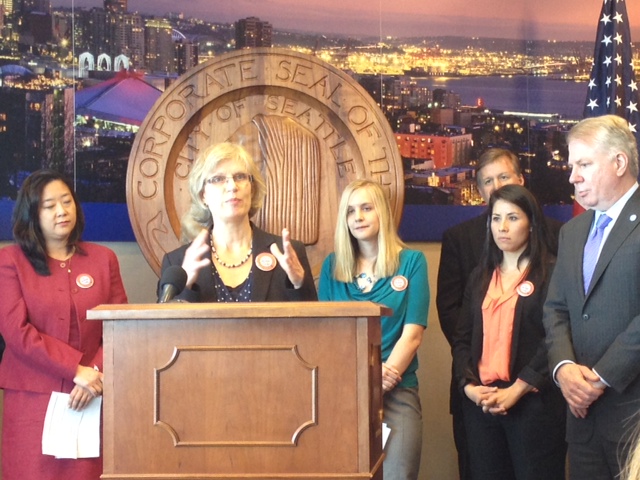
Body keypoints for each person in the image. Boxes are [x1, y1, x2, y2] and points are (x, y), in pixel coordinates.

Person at [436, 147, 562, 480]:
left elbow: (556, 337)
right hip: (482, 404)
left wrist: (519, 388)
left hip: (532, 405)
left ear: (531, 224)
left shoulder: (551, 272)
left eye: (513, 218)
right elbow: (461, 336)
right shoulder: (480, 276)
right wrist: (470, 386)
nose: (502, 227)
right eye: (496, 218)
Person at [0, 169, 128, 479]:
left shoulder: (103, 258)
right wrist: (76, 370)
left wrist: (94, 374)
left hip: (94, 396)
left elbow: (120, 325)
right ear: (32, 213)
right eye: (49, 205)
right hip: (33, 399)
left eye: (67, 201)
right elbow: (16, 332)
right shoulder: (11, 261)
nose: (62, 211)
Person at [542, 114, 640, 479]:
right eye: (571, 166)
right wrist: (564, 369)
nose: (573, 177)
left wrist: (599, 378)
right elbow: (555, 310)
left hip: (632, 416)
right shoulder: (572, 231)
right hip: (581, 420)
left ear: (619, 162)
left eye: (584, 164)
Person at [318, 179, 428, 480]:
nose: (358, 217)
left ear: (382, 213)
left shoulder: (412, 262)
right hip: (344, 393)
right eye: (351, 211)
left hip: (397, 389)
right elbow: (328, 337)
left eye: (367, 208)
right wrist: (364, 380)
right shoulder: (332, 266)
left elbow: (413, 333)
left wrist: (382, 378)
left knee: (398, 475)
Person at [159, 142, 317, 302]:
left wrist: (299, 285)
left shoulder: (287, 253)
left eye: (240, 177)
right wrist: (186, 287)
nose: (232, 186)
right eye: (218, 179)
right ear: (203, 195)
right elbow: (163, 325)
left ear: (252, 189)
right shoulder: (177, 264)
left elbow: (316, 324)